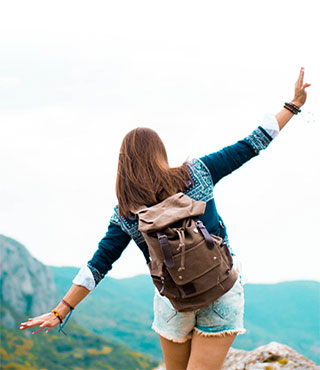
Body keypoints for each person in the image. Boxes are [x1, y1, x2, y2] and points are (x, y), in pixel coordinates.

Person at [20, 68, 310, 370]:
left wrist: (60, 311)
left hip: (174, 301)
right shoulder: (198, 172)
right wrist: (293, 104)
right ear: (160, 152)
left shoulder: (126, 213)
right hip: (221, 290)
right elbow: (252, 143)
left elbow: (97, 266)